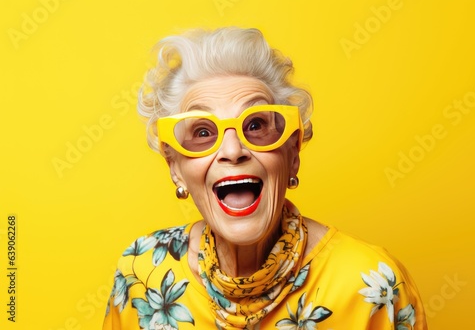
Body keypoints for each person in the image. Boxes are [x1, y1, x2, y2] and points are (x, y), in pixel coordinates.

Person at [103, 27, 427, 330]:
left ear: (293, 153)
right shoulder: (141, 272)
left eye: (255, 125)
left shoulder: (372, 285)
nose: (233, 150)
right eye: (203, 132)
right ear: (175, 167)